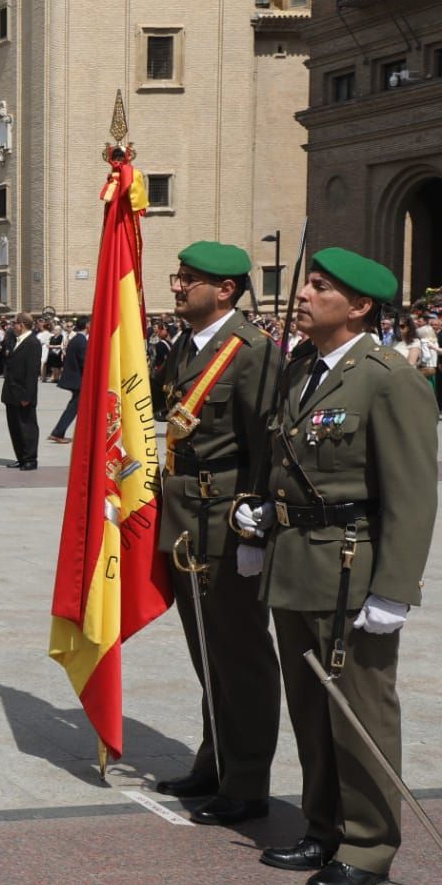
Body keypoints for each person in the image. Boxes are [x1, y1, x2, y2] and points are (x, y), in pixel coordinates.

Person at [236, 248, 437, 885]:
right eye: (309, 282)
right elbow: (289, 460)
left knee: (359, 714)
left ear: (359, 307)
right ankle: (323, 825)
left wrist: (396, 590)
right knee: (312, 712)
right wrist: (264, 517)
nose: (304, 294)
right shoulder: (301, 368)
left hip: (353, 567)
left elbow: (412, 490)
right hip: (297, 561)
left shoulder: (385, 376)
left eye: (321, 288)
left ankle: (369, 845)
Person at [150, 242, 281, 827]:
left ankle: (248, 782)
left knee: (240, 654)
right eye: (179, 277)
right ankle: (216, 760)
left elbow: (266, 448)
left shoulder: (251, 353)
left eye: (189, 279)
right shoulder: (186, 344)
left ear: (225, 290)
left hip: (226, 522)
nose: (177, 286)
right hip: (184, 519)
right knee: (207, 652)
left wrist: (255, 530)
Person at [0, 312, 41, 470]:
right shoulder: (16, 341)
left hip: (23, 394)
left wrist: (28, 396)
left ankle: (30, 458)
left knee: (27, 427)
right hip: (11, 393)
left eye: (14, 323)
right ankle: (21, 457)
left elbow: (32, 372)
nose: (12, 326)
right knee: (15, 427)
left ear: (21, 325)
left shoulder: (32, 343)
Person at [48, 319, 89, 443]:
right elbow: (84, 362)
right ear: (87, 325)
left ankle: (60, 432)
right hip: (78, 381)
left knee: (77, 407)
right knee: (73, 408)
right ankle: (58, 433)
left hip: (74, 379)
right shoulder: (81, 340)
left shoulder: (76, 339)